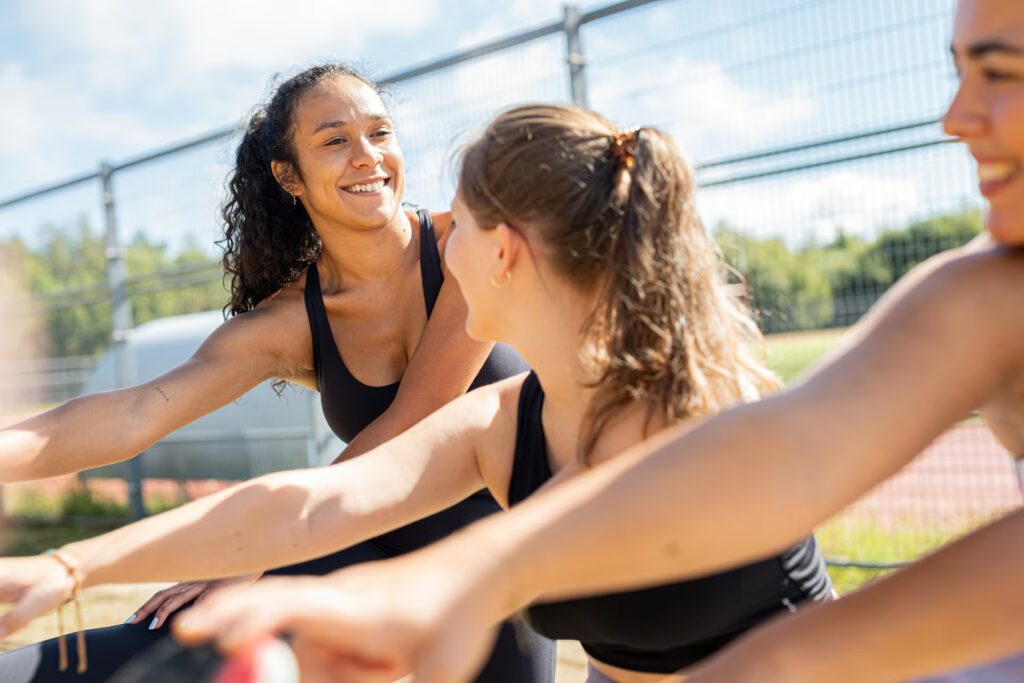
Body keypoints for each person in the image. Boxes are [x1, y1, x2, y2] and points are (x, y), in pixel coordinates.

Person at [175, 1, 1024, 681]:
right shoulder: (983, 292)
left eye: (998, 72)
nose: (954, 118)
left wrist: (448, 583)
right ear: (287, 176)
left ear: (506, 249)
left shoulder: (677, 403)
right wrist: (80, 568)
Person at [0, 104, 833, 683]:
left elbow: (508, 552)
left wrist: (305, 596)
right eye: (336, 140)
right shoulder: (506, 424)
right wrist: (71, 564)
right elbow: (313, 498)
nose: (437, 233)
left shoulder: (692, 419)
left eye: (458, 222)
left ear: (501, 251)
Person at [0, 63, 554, 682]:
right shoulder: (291, 319)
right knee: (182, 643)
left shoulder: (470, 246)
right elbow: (134, 412)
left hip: (504, 558)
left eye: (381, 132)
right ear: (288, 177)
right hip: (364, 544)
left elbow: (415, 418)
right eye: (335, 140)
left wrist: (261, 547)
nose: (368, 156)